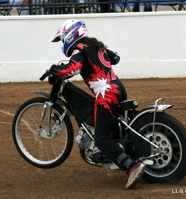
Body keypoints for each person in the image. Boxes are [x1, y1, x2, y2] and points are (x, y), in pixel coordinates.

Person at [49, 19, 145, 189]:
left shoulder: (79, 49)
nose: (62, 43)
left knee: (101, 138)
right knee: (115, 128)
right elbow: (115, 57)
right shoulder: (95, 46)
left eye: (62, 39)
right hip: (118, 89)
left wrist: (54, 70)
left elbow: (73, 69)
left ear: (71, 34)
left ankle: (131, 166)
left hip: (106, 94)